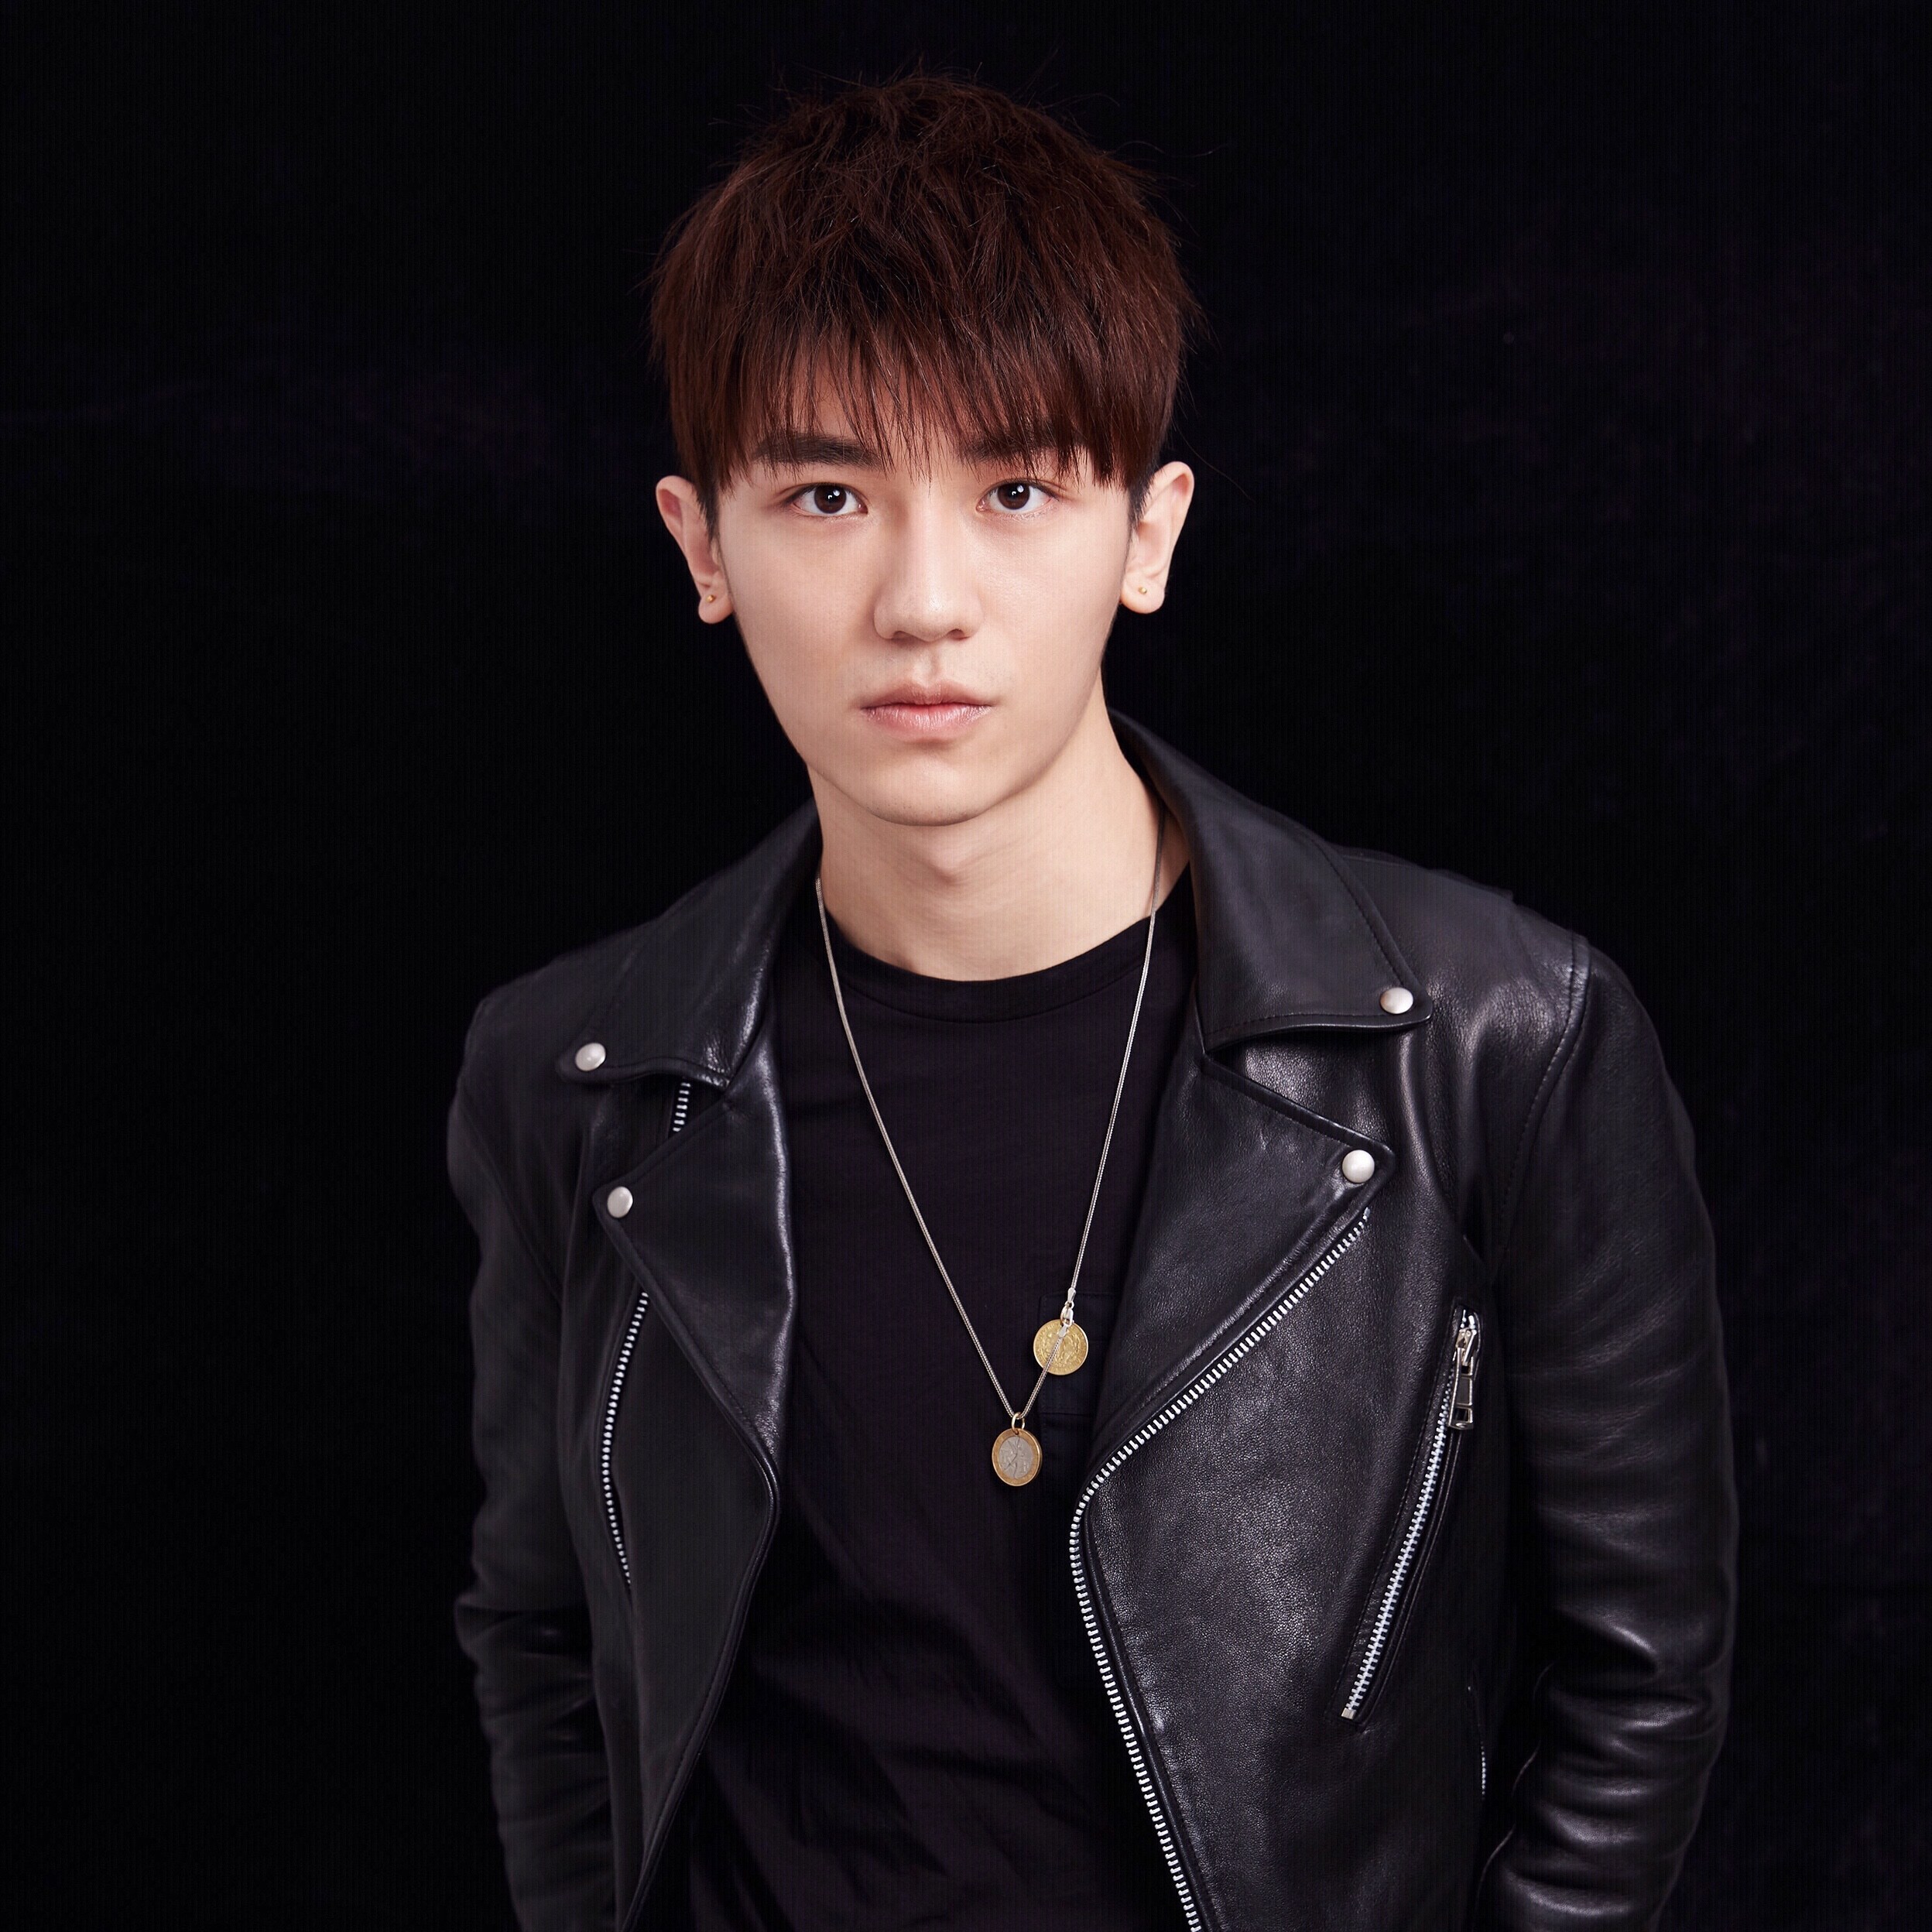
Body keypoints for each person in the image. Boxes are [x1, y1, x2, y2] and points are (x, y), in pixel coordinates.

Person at [449, 70, 1736, 1932]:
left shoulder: (1495, 1040)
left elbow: (1641, 1676)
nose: (924, 600)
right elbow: (543, 1638)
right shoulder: (577, 1080)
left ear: (1149, 532)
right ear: (703, 545)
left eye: (1017, 490)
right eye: (827, 493)